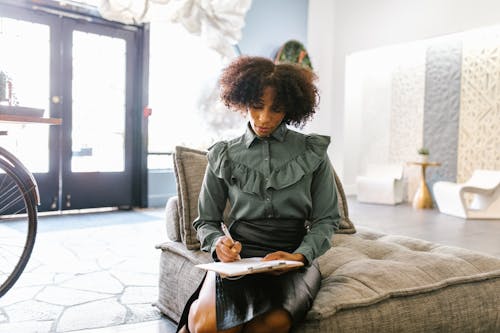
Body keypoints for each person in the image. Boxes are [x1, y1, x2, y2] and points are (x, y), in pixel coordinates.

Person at [177, 56, 340, 333]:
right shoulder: (223, 153)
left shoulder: (312, 151)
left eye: (276, 109)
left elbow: (326, 220)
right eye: (256, 106)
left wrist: (300, 256)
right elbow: (205, 221)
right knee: (206, 327)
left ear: (289, 108)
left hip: (292, 258)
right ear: (242, 102)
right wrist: (218, 244)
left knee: (270, 325)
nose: (264, 118)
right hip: (238, 262)